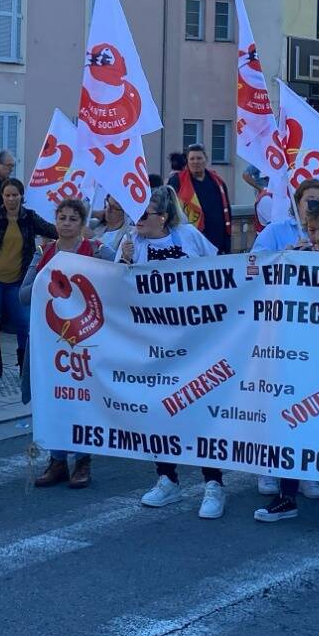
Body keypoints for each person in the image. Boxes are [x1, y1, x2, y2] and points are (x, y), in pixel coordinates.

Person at [255, 196, 319, 531]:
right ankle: (287, 495)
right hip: (301, 356)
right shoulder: (297, 259)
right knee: (292, 424)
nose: (317, 238)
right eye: (313, 230)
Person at [128, 187, 228, 516]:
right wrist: (125, 259)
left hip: (194, 339)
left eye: (144, 214)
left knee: (199, 410)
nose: (137, 220)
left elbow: (219, 274)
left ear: (164, 217)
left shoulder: (188, 237)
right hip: (153, 341)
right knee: (160, 411)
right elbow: (116, 289)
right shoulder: (132, 243)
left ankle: (213, 483)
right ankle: (167, 479)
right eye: (135, 214)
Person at [27, 197, 109, 489]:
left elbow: (121, 278)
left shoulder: (98, 250)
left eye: (73, 219)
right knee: (55, 398)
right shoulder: (43, 253)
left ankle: (83, 461)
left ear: (82, 223)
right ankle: (57, 460)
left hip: (87, 340)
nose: (66, 224)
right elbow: (24, 295)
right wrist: (43, 278)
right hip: (52, 343)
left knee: (83, 399)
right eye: (62, 218)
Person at [0, 177, 57, 390]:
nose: (11, 199)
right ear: (2, 197)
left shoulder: (29, 218)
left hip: (18, 279)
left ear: (21, 197)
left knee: (24, 322)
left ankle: (23, 365)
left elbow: (53, 231)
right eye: (7, 195)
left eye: (15, 195)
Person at [179, 143, 235, 253]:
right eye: (192, 159)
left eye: (199, 158)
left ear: (206, 160)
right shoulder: (177, 182)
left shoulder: (218, 182)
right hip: (191, 241)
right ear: (187, 161)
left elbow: (226, 211)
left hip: (217, 240)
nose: (196, 162)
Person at [257, 178, 319, 252]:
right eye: (310, 200)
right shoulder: (274, 230)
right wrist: (287, 256)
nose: (315, 205)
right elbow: (254, 260)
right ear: (297, 203)